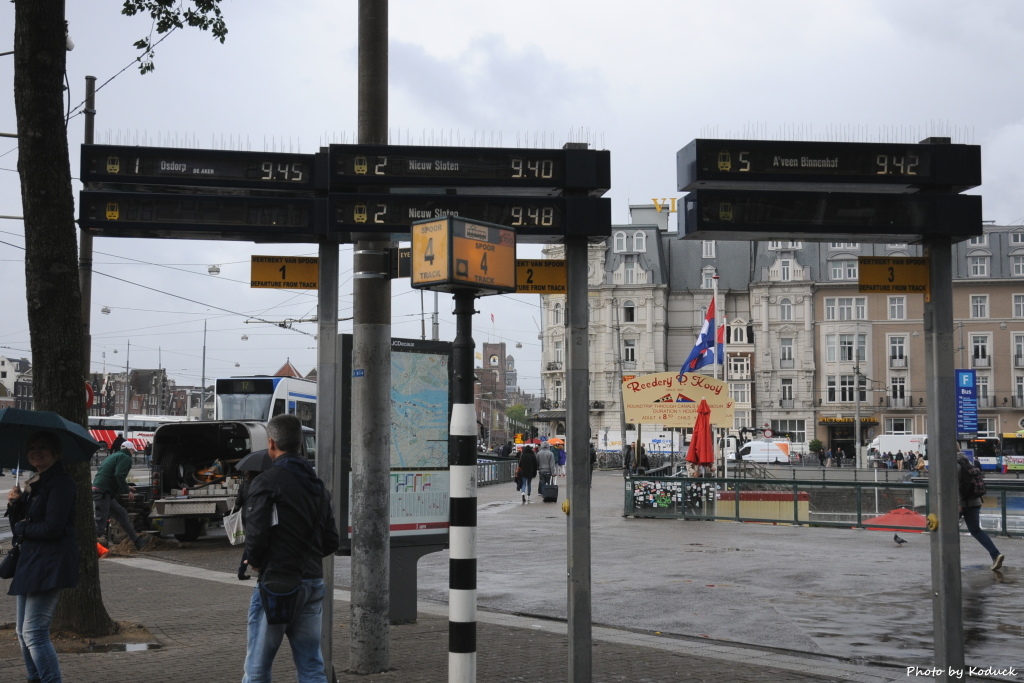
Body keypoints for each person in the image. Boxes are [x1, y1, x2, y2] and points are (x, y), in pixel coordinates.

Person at [242, 414, 340, 682]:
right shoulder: (318, 487)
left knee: (258, 667)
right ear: (299, 444)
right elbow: (332, 540)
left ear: (271, 443)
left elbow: (257, 535)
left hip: (277, 586)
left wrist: (257, 560)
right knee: (311, 665)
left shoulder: (267, 481)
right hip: (312, 582)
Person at [5, 430, 80, 683]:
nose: (36, 452)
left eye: (43, 448)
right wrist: (15, 505)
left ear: (55, 453)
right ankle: (35, 679)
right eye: (32, 448)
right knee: (22, 632)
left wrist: (24, 527)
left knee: (34, 632)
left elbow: (52, 528)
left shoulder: (60, 483)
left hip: (50, 563)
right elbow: (21, 524)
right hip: (32, 562)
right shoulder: (37, 483)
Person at [93, 444, 149, 550]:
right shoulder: (125, 457)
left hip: (103, 491)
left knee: (122, 514)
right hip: (103, 492)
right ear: (129, 449)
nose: (133, 453)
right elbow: (119, 475)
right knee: (100, 525)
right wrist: (127, 491)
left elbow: (111, 474)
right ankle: (83, 545)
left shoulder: (114, 455)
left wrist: (126, 486)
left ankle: (138, 543)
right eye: (133, 450)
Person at [957, 452, 1004, 571]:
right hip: (975, 502)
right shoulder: (969, 463)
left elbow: (955, 486)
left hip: (960, 504)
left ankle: (948, 560)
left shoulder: (954, 466)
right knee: (976, 530)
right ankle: (995, 554)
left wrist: (958, 504)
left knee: (946, 531)